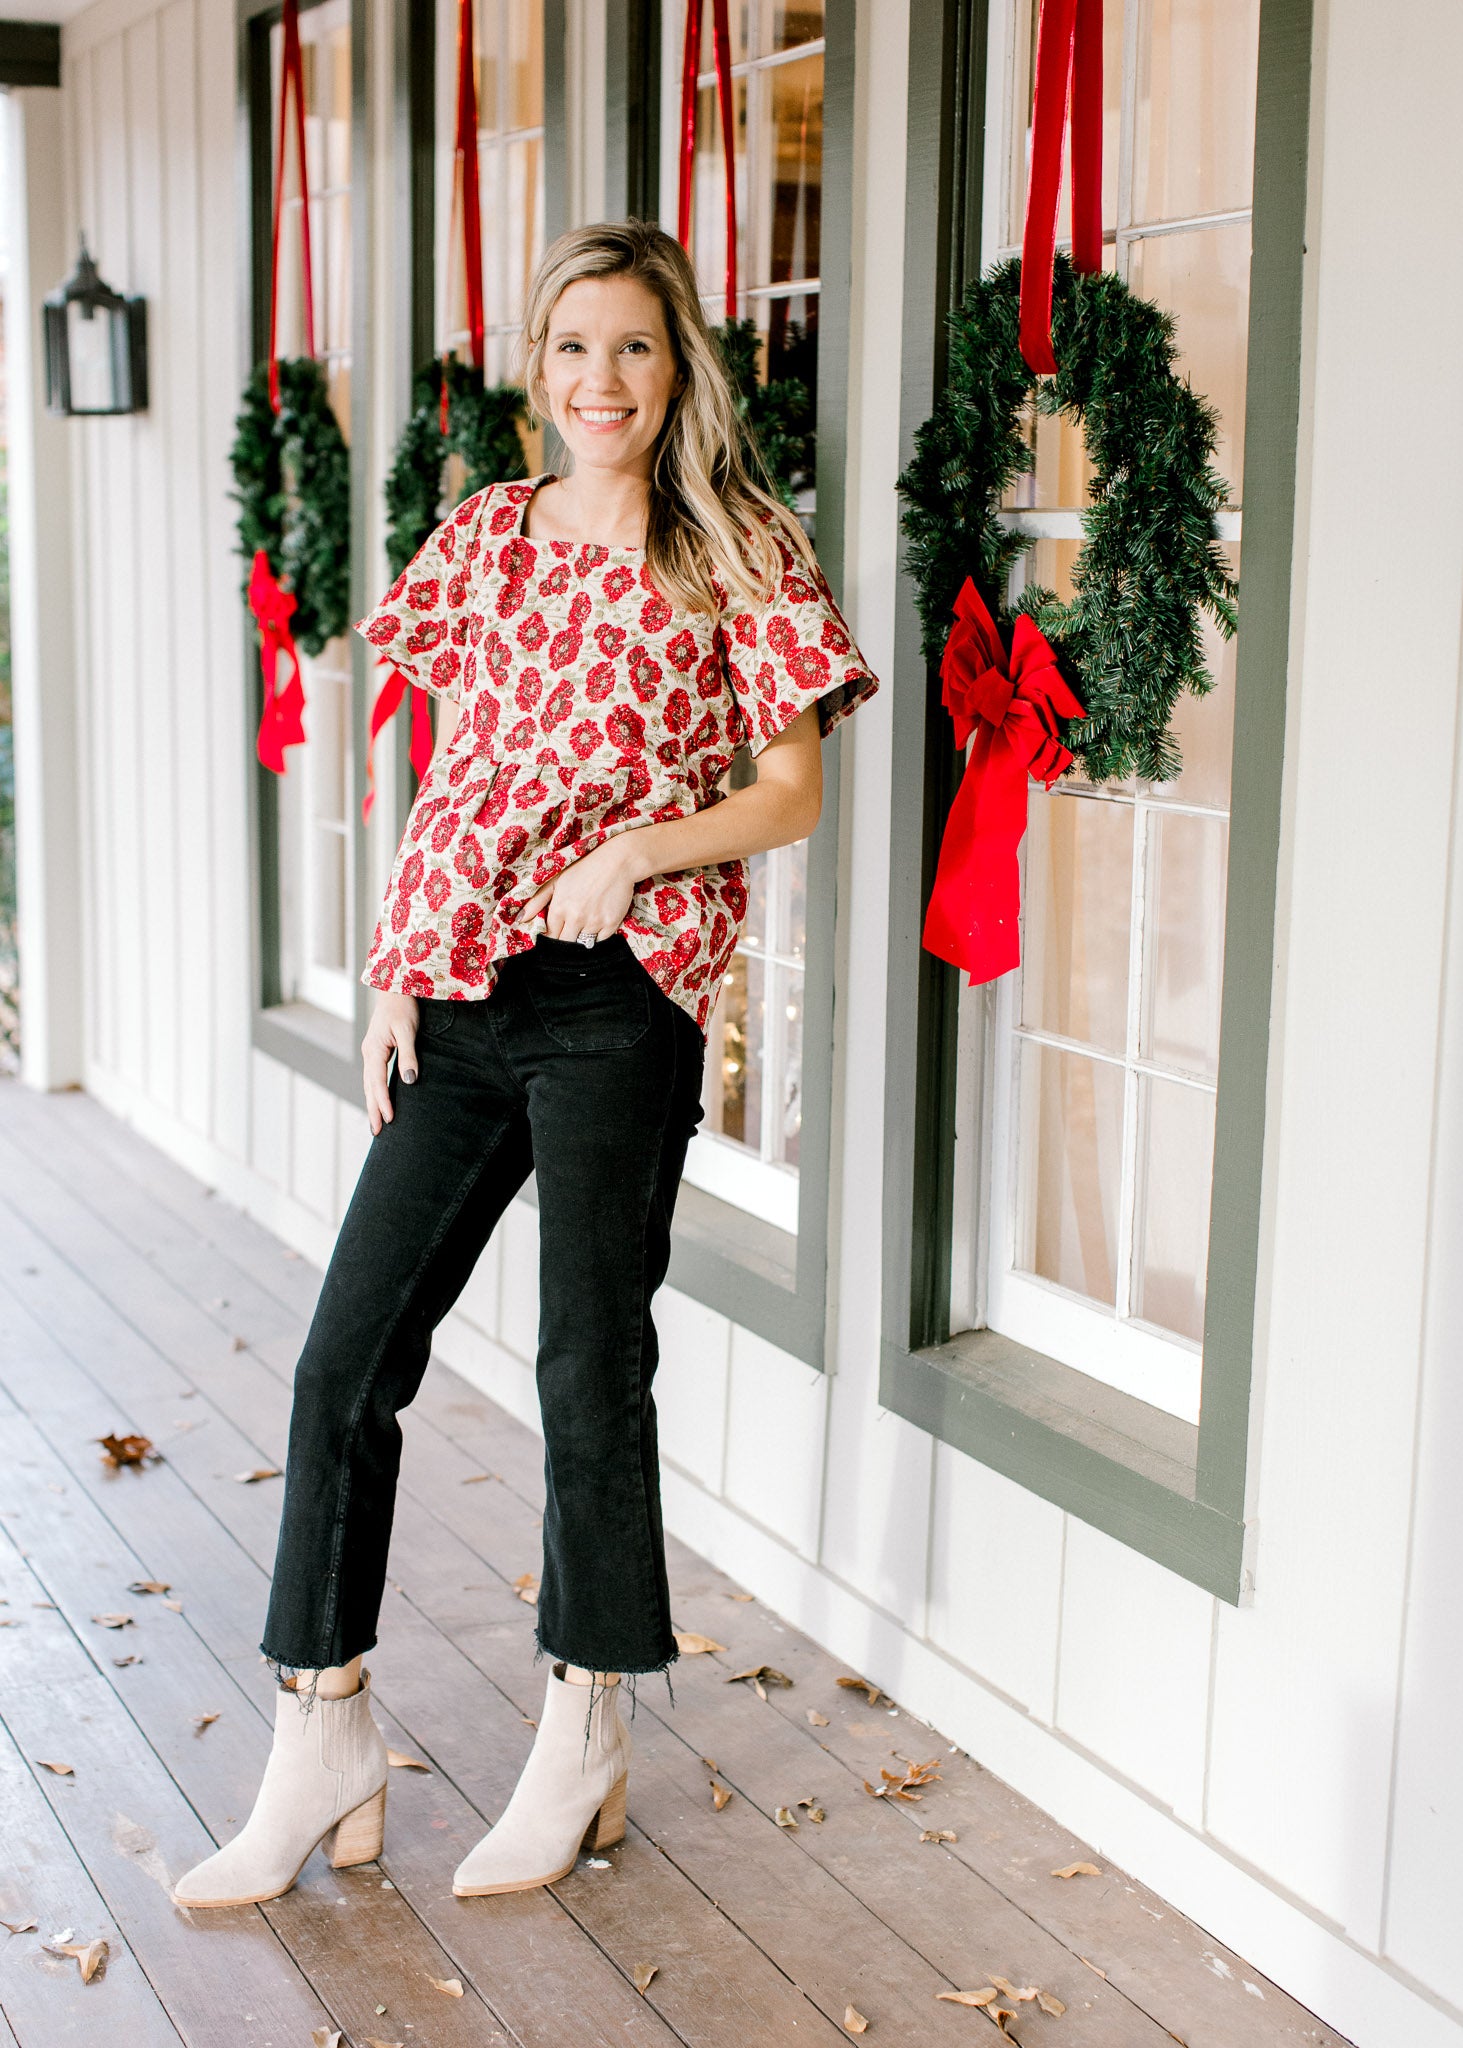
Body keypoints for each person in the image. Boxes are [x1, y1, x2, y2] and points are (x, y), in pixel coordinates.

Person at [175, 219, 877, 1912]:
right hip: (468, 988)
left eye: (632, 348)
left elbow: (794, 793)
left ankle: (585, 1729)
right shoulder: (488, 536)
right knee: (348, 1357)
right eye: (572, 350)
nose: (600, 382)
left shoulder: (737, 548)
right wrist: (397, 967)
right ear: (538, 369)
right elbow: (452, 752)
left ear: (676, 364)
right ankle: (323, 1732)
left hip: (622, 994)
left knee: (584, 1363)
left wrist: (644, 850)